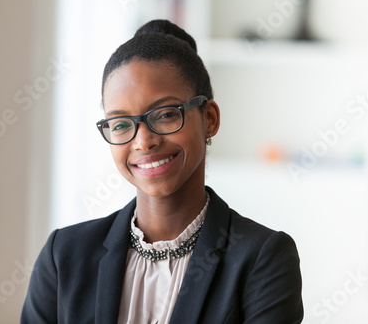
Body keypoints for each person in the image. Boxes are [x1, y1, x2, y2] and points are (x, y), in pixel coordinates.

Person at [21, 19, 303, 324]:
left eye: (166, 114)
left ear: (209, 118)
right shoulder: (63, 256)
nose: (143, 141)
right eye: (120, 124)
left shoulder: (262, 257)